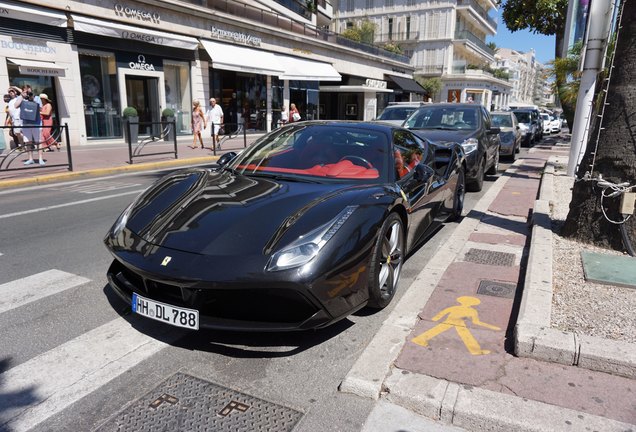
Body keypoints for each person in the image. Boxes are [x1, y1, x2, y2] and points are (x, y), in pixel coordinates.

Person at [16, 85, 43, 165]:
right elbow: (16, 106)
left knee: (38, 141)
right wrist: (21, 96)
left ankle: (40, 158)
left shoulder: (37, 98)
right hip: (26, 123)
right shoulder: (21, 98)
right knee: (28, 141)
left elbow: (40, 109)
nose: (27, 92)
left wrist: (32, 99)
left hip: (36, 123)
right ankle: (30, 159)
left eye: (29, 91)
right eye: (25, 91)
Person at [7, 87, 23, 151]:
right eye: (10, 92)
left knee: (19, 133)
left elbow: (22, 92)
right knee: (17, 133)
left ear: (15, 92)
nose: (11, 93)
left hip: (19, 118)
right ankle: (23, 146)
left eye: (12, 92)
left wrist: (14, 87)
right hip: (14, 120)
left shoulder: (18, 98)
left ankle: (25, 145)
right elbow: (10, 112)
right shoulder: (10, 102)